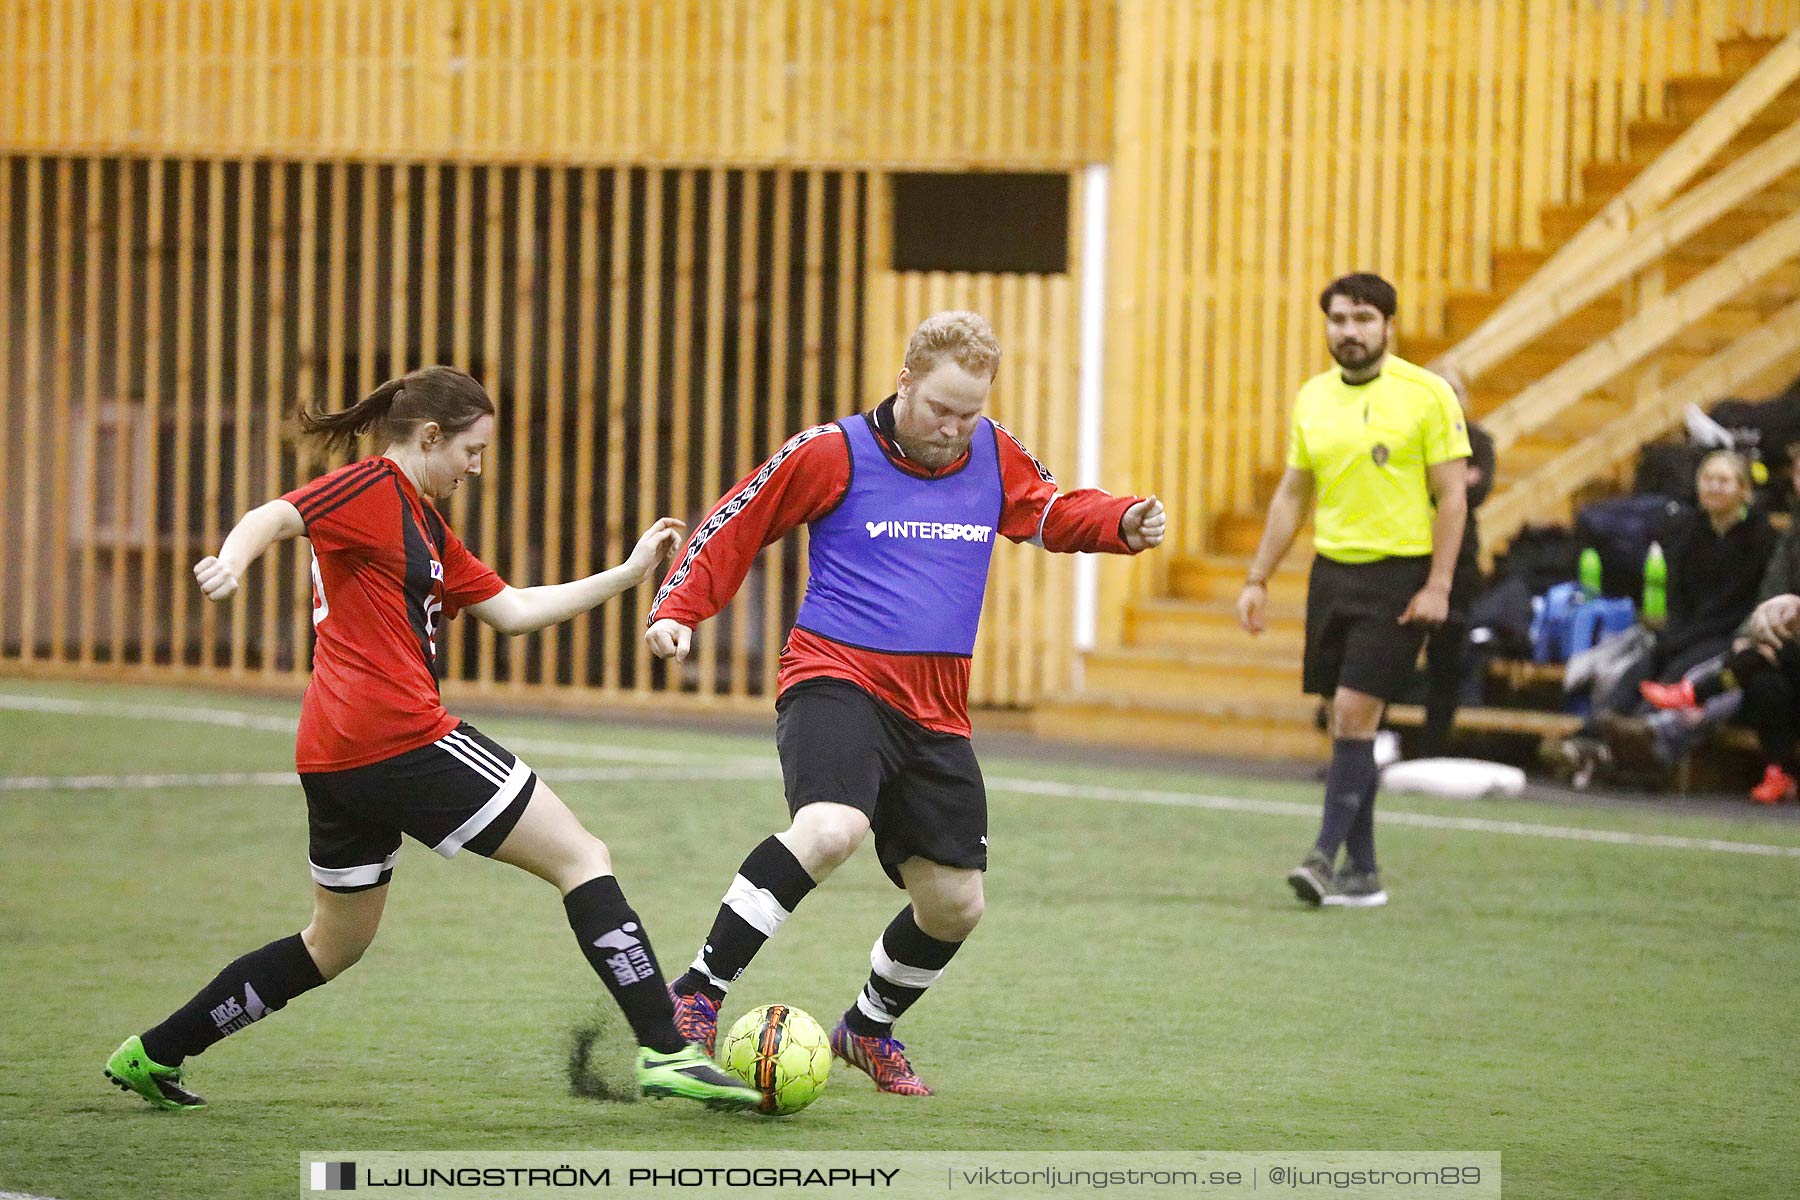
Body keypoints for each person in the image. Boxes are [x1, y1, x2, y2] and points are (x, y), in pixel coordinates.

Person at [103, 366, 762, 1113]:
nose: (475, 468)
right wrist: (232, 558)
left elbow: (511, 610)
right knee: (583, 857)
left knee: (335, 943)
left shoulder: (424, 523)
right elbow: (277, 515)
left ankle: (153, 1053)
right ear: (428, 437)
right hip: (400, 735)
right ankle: (666, 1052)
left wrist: (628, 573)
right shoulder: (370, 488)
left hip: (334, 751)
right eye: (471, 451)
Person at [644, 311, 1165, 1095]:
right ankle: (696, 995)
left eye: (969, 413)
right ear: (906, 381)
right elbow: (740, 517)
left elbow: (1049, 511)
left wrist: (1119, 521)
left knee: (955, 904)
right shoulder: (833, 450)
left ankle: (866, 1028)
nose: (954, 429)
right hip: (836, 677)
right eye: (940, 410)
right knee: (832, 827)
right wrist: (678, 608)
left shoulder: (993, 451)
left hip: (937, 709)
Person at [1237, 273, 1469, 908]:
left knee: (1352, 711)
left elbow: (1452, 497)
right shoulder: (1312, 397)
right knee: (1350, 723)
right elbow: (1293, 494)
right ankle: (1363, 874)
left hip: (1400, 576)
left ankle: (1321, 856)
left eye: (1363, 319)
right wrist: (1258, 578)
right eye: (1339, 319)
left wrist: (1439, 586)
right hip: (1333, 575)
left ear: (1389, 326)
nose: (1350, 331)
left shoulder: (1427, 395)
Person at [1553, 450, 1775, 787]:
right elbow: (1677, 596)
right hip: (1687, 629)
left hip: (1726, 635)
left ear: (1744, 490)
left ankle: (1633, 739)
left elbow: (1743, 604)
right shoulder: (1687, 532)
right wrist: (1674, 633)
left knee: (1679, 667)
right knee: (1643, 662)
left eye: (1724, 480)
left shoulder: (1761, 538)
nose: (1714, 487)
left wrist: (1688, 636)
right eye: (1708, 479)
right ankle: (1591, 732)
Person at [1418, 367, 1497, 756]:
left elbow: (1477, 490)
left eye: (1454, 390)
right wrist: (1455, 479)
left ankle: (1434, 745)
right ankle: (1375, 740)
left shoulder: (1479, 440)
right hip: (1409, 550)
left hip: (1458, 559)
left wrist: (1437, 481)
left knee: (1446, 659)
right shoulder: (1410, 436)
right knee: (1389, 652)